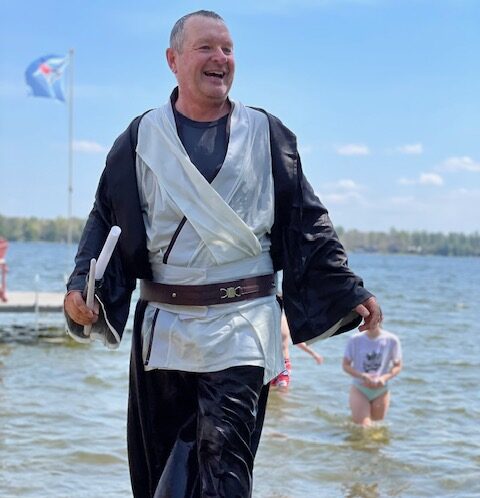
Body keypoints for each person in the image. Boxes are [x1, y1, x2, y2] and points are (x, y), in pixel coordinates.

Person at [63, 10, 381, 498]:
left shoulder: (266, 134)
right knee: (164, 478)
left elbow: (306, 216)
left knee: (224, 474)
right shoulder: (139, 138)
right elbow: (106, 220)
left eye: (228, 49)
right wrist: (81, 290)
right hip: (165, 327)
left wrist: (346, 287)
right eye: (206, 48)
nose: (221, 58)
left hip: (242, 324)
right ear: (173, 60)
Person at [342, 321, 402, 427]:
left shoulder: (391, 340)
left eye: (373, 317)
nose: (370, 321)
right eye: (367, 318)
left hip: (381, 390)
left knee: (376, 427)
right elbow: (345, 365)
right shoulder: (355, 339)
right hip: (360, 388)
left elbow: (398, 365)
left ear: (380, 318)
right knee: (365, 427)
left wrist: (384, 378)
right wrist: (363, 376)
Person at [271, 308, 323, 390]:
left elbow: (297, 340)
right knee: (267, 395)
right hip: (268, 364)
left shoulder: (286, 319)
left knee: (283, 390)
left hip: (283, 364)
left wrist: (314, 354)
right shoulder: (265, 320)